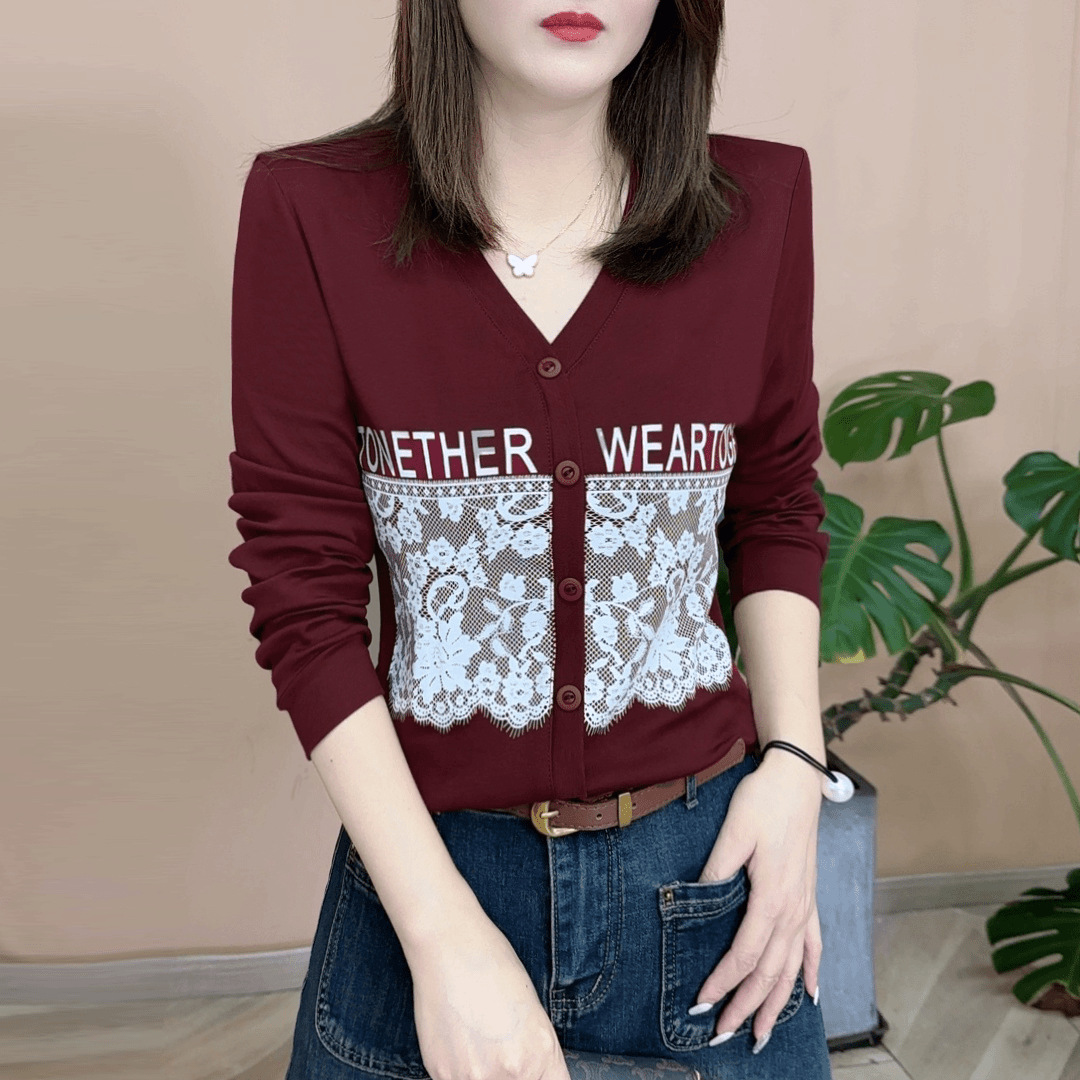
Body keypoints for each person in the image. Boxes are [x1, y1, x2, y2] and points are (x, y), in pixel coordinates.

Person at [226, 1, 835, 1077]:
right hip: (427, 878)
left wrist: (794, 768)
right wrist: (441, 937)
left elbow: (777, 500)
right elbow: (302, 593)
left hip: (709, 876)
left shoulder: (759, 202)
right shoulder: (312, 209)